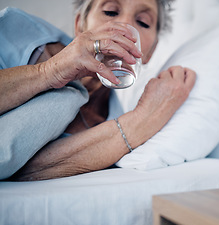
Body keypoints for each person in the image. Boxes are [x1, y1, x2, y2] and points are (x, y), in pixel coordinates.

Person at [0, 0, 196, 181]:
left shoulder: (114, 120)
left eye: (143, 22)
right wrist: (48, 71)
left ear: (150, 51)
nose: (125, 27)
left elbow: (23, 170)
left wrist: (143, 118)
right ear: (80, 25)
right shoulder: (13, 30)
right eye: (110, 11)